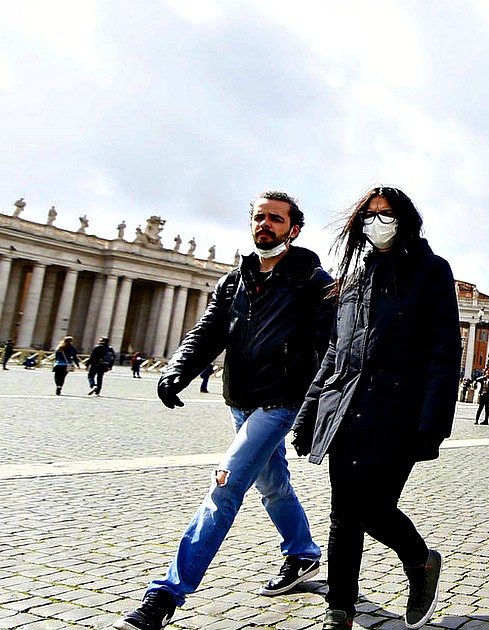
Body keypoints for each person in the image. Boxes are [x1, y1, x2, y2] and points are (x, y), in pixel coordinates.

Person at [114, 191, 332, 630]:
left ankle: (166, 594)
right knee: (272, 486)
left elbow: (331, 346)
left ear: (294, 228)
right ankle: (303, 553)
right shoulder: (234, 280)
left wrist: (315, 407)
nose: (264, 224)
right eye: (258, 217)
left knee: (225, 486)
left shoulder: (310, 279)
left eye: (275, 218)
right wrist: (179, 369)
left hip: (281, 400)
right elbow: (210, 330)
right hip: (240, 400)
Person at [291, 185, 459, 630]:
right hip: (345, 409)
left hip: (398, 413)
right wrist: (310, 411)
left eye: (385, 214)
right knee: (343, 514)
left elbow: (444, 351)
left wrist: (433, 424)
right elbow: (334, 351)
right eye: (368, 215)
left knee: (372, 508)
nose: (375, 223)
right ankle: (339, 609)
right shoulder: (354, 279)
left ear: (405, 220)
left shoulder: (431, 271)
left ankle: (420, 559)